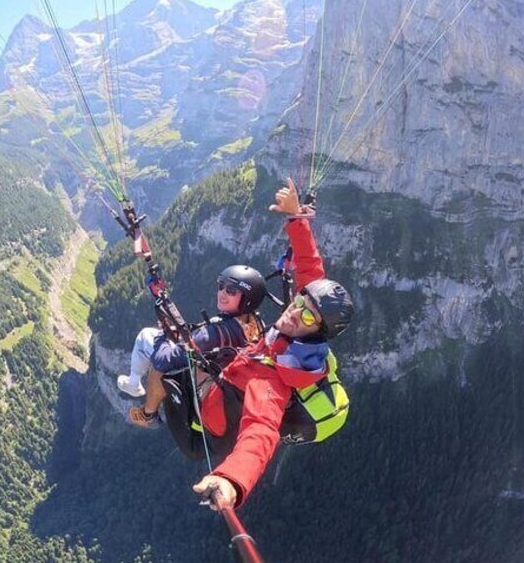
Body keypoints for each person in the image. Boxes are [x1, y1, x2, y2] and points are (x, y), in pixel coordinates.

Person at [189, 178, 355, 510]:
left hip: (216, 418)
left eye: (308, 317)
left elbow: (260, 434)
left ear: (318, 332)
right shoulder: (302, 331)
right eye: (300, 302)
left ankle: (152, 409)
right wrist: (296, 219)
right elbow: (310, 269)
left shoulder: (274, 379)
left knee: (182, 363)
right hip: (243, 372)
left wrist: (231, 481)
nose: (296, 312)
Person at [117, 264, 268, 427]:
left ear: (247, 299)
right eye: (221, 286)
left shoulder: (212, 335)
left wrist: (163, 334)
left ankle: (147, 412)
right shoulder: (256, 324)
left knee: (146, 336)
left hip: (204, 386)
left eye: (231, 291)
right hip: (226, 382)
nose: (222, 293)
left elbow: (163, 360)